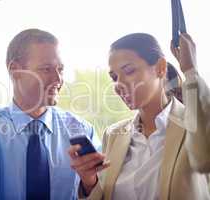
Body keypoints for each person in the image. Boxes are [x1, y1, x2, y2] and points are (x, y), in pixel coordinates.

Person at [0, 29, 99, 200]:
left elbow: (101, 190)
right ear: (15, 70)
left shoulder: (81, 130)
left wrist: (89, 182)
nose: (58, 79)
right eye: (46, 69)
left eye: (60, 69)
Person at [69, 33, 210, 200]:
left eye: (129, 71)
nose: (118, 84)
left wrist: (191, 72)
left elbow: (204, 159)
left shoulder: (196, 126)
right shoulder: (113, 135)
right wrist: (89, 183)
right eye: (114, 77)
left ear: (160, 68)